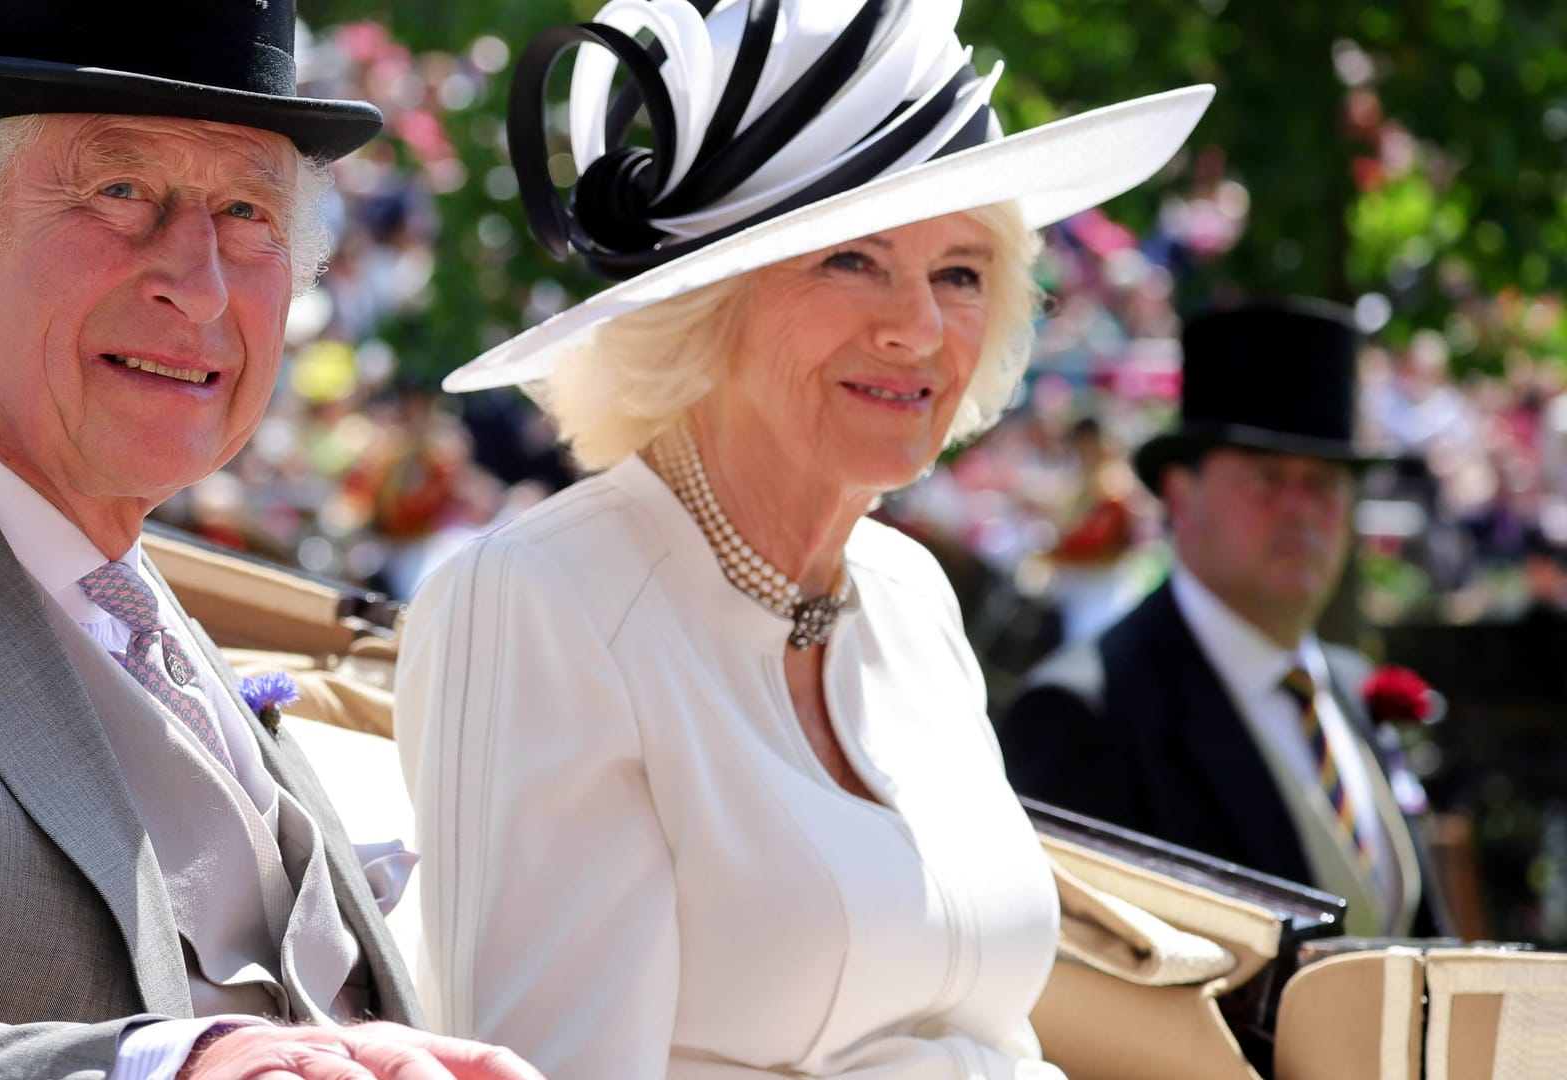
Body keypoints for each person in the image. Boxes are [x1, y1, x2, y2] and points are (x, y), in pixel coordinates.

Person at [0, 3, 545, 1079]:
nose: (200, 283)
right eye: (121, 192)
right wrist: (182, 1067)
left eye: (249, 211)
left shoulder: (139, 595)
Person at [392, 1, 1213, 1076]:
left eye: (960, 273)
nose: (917, 327)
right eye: (851, 262)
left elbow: (996, 1034)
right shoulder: (542, 602)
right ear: (706, 308)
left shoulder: (910, 595)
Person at [999, 299, 1452, 939]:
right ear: (1181, 494)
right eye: (1268, 478)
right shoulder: (1087, 713)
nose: (1299, 509)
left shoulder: (1351, 690)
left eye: (1324, 483)